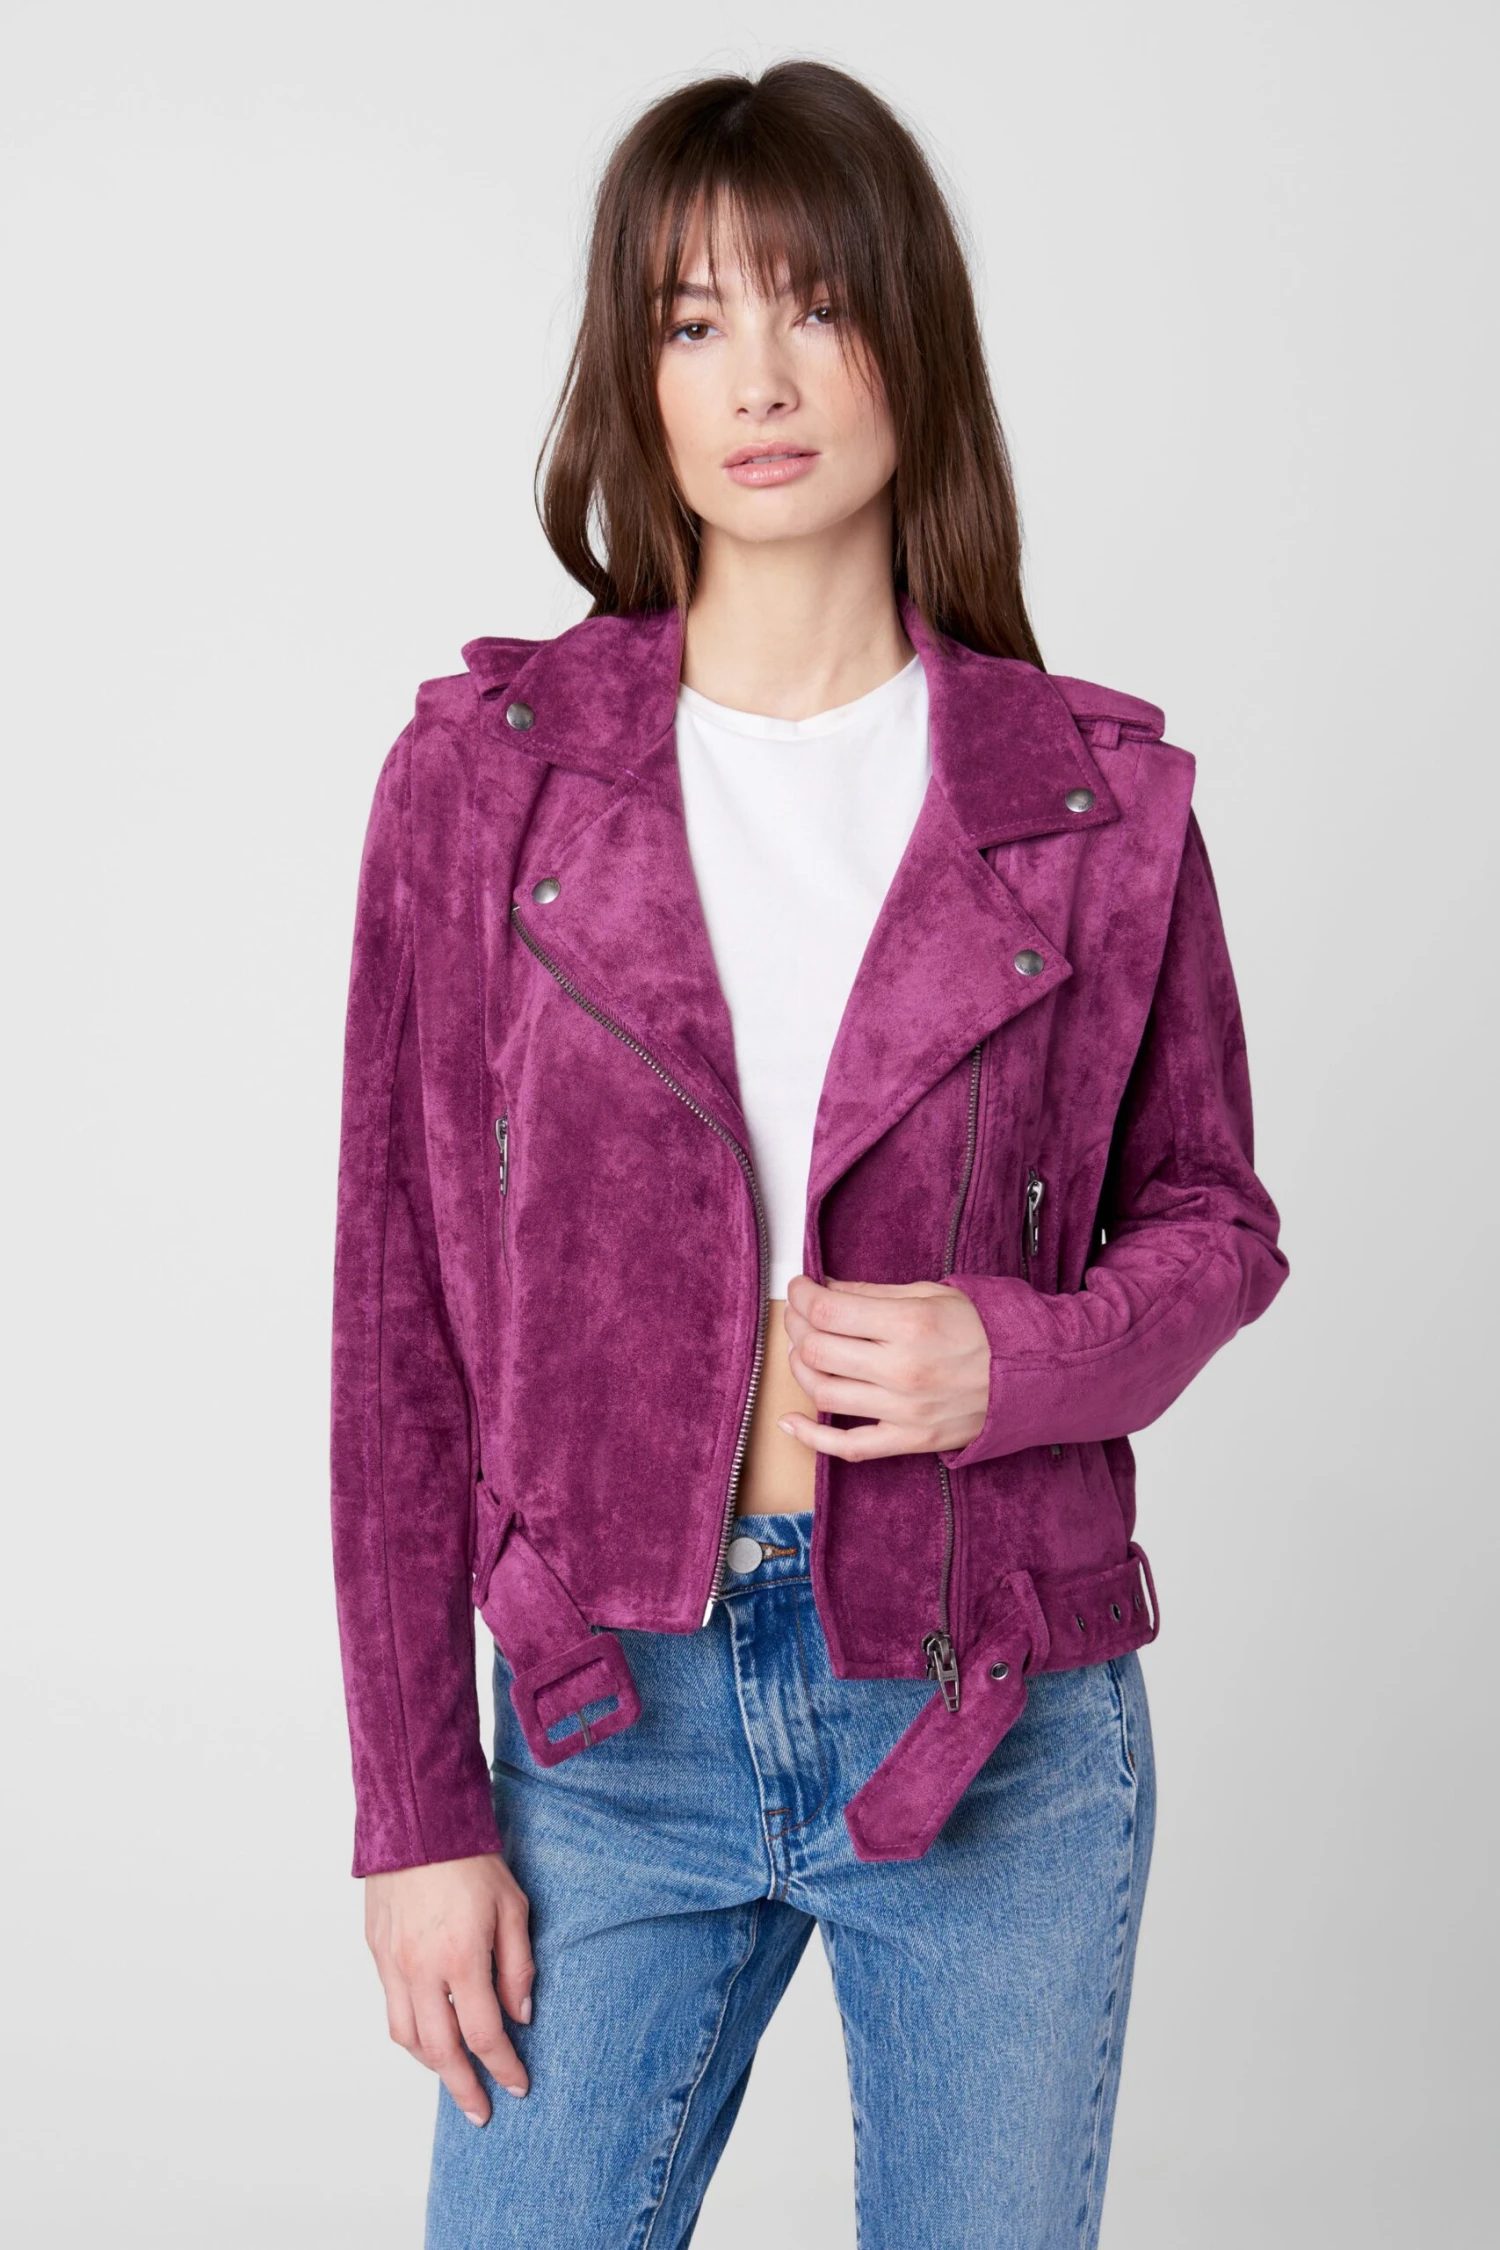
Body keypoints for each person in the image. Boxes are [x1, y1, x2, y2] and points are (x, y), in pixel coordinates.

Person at [330, 59, 1288, 2250]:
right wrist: (415, 1808)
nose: (756, 376)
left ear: (904, 336)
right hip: (604, 1717)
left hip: (993, 1715)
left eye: (812, 304)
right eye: (691, 320)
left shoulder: (1091, 805)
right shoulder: (484, 785)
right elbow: (396, 1323)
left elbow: (1216, 1221)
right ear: (635, 379)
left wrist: (1014, 1360)